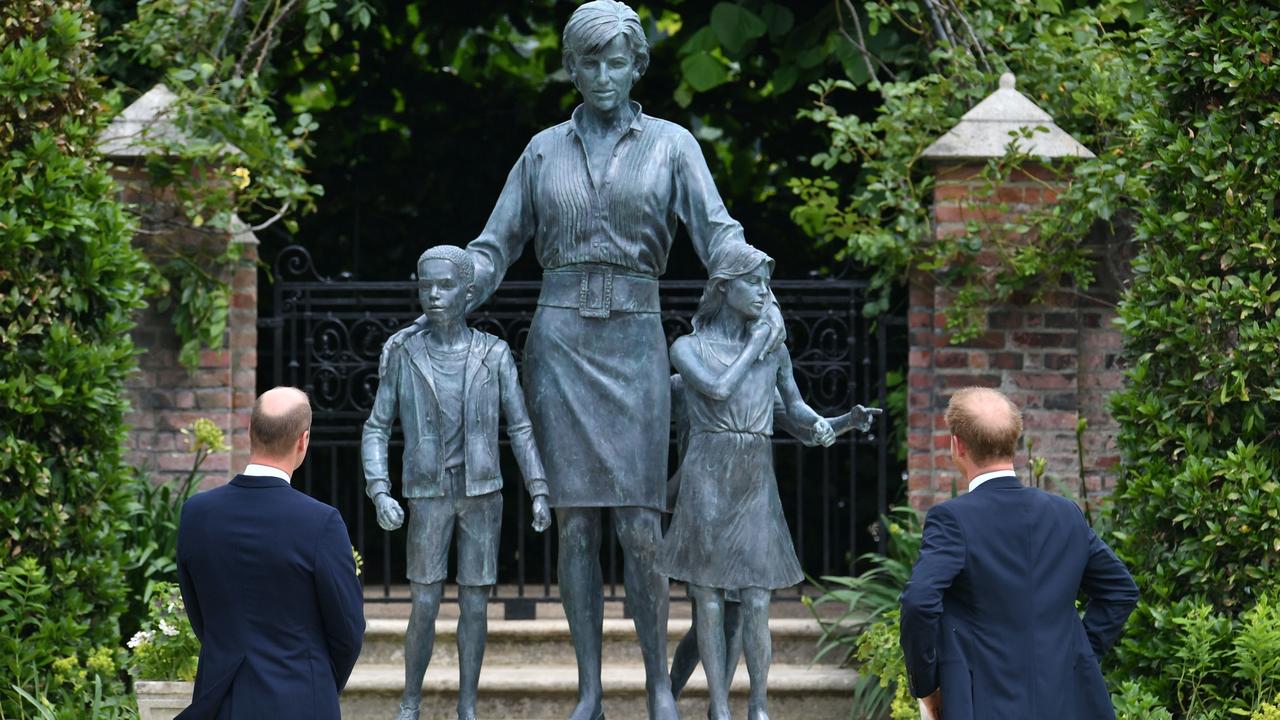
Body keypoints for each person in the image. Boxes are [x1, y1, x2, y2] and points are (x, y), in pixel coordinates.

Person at [380, 3, 783, 718]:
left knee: (638, 522)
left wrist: (751, 274)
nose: (602, 75)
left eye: (615, 61)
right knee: (574, 526)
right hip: (560, 343)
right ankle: (591, 688)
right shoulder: (542, 151)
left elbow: (718, 233)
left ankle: (659, 684)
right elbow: (495, 244)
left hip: (634, 339)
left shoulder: (672, 146)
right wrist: (455, 285)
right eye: (588, 62)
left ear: (637, 66)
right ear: (571, 68)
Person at [656, 244, 875, 720]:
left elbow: (795, 412)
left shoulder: (773, 355)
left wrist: (840, 423)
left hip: (754, 474)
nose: (763, 291)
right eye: (753, 282)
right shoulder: (688, 348)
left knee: (757, 598)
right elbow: (716, 390)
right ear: (722, 287)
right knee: (708, 597)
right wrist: (758, 345)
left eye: (766, 283)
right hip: (708, 473)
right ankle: (719, 708)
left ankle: (758, 706)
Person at [362, 246, 551, 720]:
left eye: (445, 286)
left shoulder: (494, 354)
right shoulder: (404, 353)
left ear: (468, 293)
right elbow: (376, 427)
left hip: (483, 493)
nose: (434, 295)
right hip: (427, 494)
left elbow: (521, 426)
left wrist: (539, 488)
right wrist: (379, 488)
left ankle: (468, 705)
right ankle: (411, 700)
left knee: (475, 603)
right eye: (426, 285)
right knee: (424, 602)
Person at [899, 387, 1140, 720]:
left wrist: (926, 686)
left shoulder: (952, 519)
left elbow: (919, 602)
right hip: (1066, 704)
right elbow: (1120, 591)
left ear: (958, 445)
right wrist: (1076, 654)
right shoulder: (1065, 514)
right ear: (1013, 442)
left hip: (981, 704)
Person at [665, 375, 881, 700]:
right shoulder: (684, 381)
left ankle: (716, 706)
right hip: (702, 504)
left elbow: (805, 427)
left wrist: (846, 421)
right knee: (703, 623)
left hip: (746, 507)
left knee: (737, 614)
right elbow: (642, 430)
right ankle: (668, 693)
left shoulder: (758, 382)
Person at [176, 387, 365, 720]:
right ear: (303, 441)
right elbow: (347, 630)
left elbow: (199, 614)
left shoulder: (196, 513)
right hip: (302, 701)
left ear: (249, 430)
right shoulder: (321, 523)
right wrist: (314, 680)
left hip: (221, 701)